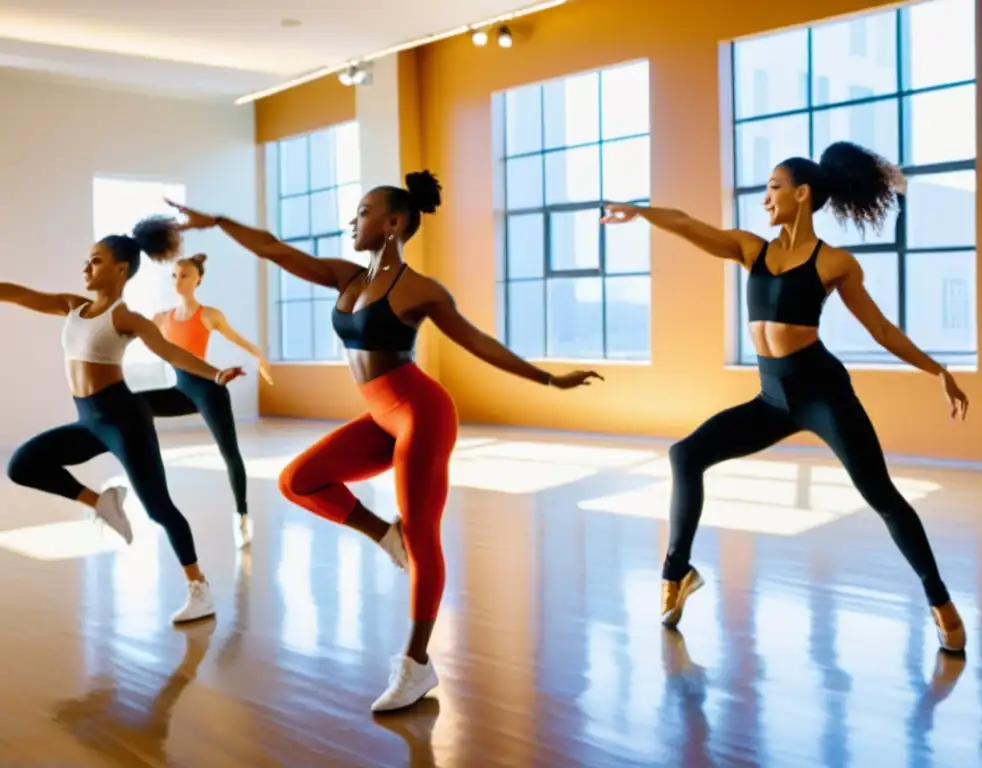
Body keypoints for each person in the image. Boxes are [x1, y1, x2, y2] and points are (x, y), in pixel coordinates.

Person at [166, 169, 603, 711]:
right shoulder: (347, 278)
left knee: (423, 531)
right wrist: (217, 222)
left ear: (394, 223)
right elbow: (275, 250)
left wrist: (549, 379)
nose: (354, 220)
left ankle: (417, 663)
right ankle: (383, 536)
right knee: (296, 481)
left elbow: (479, 342)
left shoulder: (419, 290)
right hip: (380, 415)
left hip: (421, 412)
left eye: (365, 212)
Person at [602, 141, 968, 654]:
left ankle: (940, 600)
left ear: (802, 194)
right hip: (772, 400)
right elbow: (687, 223)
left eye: (773, 188)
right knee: (685, 454)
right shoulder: (753, 250)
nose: (765, 198)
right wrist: (640, 213)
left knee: (881, 495)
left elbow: (882, 329)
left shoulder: (834, 263)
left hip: (824, 395)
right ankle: (677, 571)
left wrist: (939, 370)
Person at [3, 216, 244, 625]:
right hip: (89, 419)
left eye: (95, 261)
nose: (85, 268)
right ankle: (101, 502)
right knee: (22, 464)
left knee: (159, 508)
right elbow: (16, 293)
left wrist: (214, 373)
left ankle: (198, 587)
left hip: (123, 419)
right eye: (86, 261)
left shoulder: (126, 318)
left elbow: (171, 353)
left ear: (120, 269)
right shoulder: (71, 306)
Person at [140, 252, 271, 549]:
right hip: (180, 392)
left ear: (198, 279)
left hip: (209, 391)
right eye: (174, 275)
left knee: (231, 455)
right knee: (132, 404)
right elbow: (129, 333)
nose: (178, 281)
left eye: (184, 275)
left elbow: (238, 339)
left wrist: (259, 357)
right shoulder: (161, 318)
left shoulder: (210, 315)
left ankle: (241, 517)